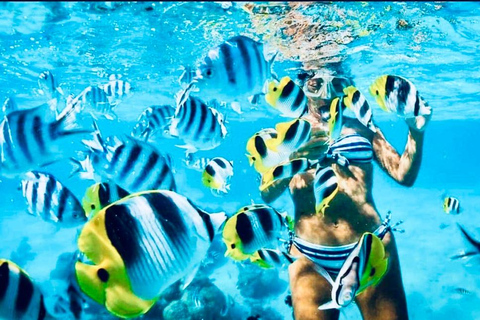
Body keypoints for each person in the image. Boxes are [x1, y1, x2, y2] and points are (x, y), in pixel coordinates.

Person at [260, 67, 431, 320]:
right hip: (310, 258)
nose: (328, 94)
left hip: (370, 247)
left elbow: (403, 175)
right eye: (317, 84)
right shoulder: (284, 135)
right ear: (302, 86)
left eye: (338, 84)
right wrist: (293, 157)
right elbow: (266, 193)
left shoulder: (363, 127)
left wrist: (416, 131)